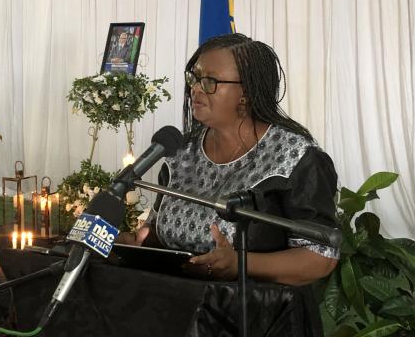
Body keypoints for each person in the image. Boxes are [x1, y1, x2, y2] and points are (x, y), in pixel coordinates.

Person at [120, 33, 339, 290]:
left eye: (210, 81)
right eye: (195, 78)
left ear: (246, 93)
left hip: (255, 315)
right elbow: (157, 232)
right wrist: (135, 243)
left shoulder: (295, 157)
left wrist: (240, 264)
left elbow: (320, 258)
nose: (196, 89)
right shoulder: (180, 152)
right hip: (177, 306)